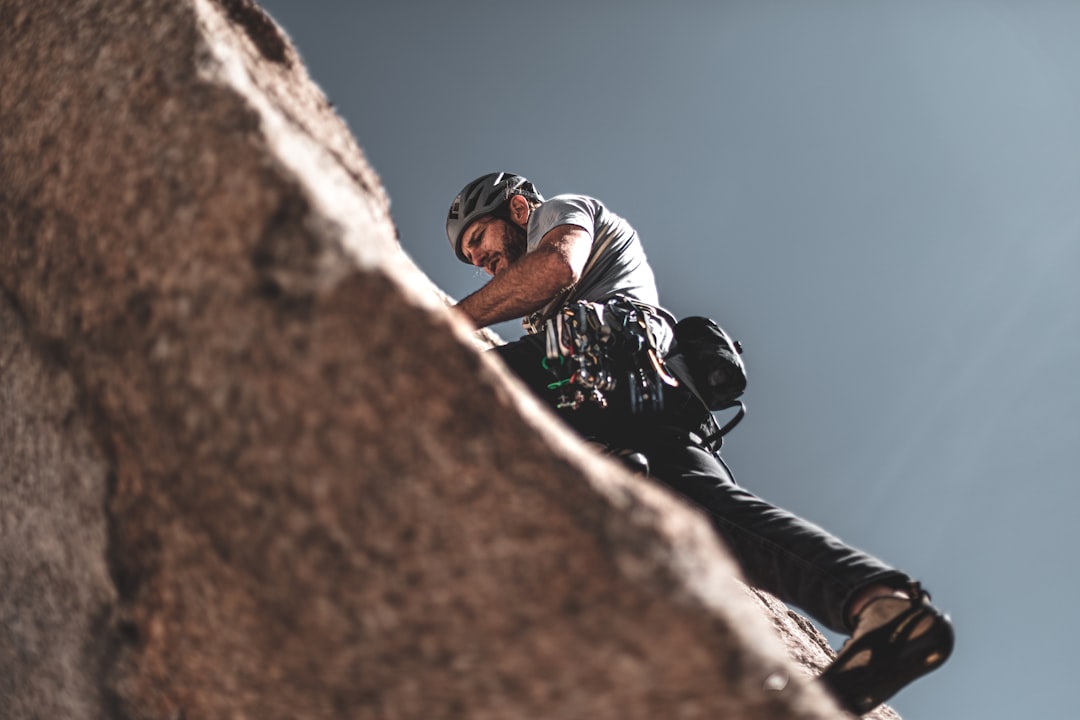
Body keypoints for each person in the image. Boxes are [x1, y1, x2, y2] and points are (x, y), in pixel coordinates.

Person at [446, 172, 954, 715]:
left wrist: (450, 320)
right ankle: (883, 609)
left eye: (480, 241)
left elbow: (556, 266)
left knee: (451, 392)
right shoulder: (550, 304)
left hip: (606, 361)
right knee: (714, 520)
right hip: (653, 402)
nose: (479, 261)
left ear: (519, 209)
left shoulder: (560, 212)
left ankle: (598, 465)